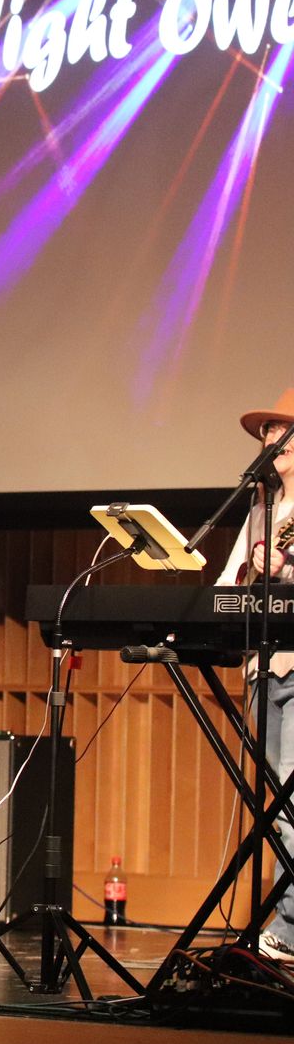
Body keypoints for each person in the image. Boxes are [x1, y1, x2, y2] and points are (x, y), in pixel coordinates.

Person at [214, 386, 294, 964]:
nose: (273, 439)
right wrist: (250, 568)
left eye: (283, 429)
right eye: (268, 431)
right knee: (278, 805)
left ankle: (289, 930)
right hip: (264, 667)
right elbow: (226, 586)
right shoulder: (261, 509)